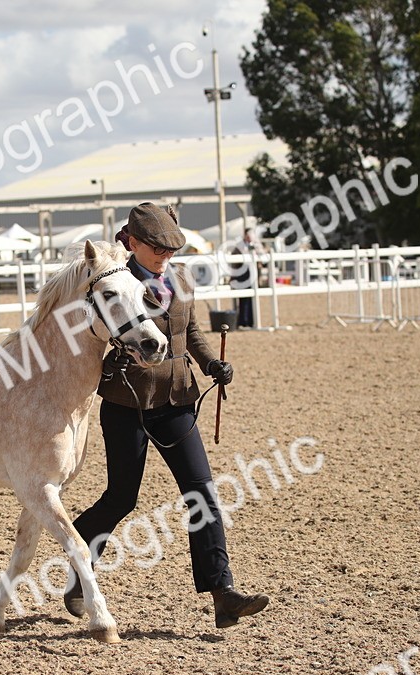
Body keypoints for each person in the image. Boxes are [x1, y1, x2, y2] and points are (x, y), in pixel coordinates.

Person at [65, 203, 269, 629]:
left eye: (170, 248)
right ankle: (80, 559)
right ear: (133, 242)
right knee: (121, 498)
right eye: (156, 248)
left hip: (177, 398)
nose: (165, 256)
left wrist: (212, 364)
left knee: (203, 493)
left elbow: (189, 332)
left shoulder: (181, 278)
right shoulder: (113, 281)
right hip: (128, 404)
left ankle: (222, 594)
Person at [229, 228, 262, 328]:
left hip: (253, 274)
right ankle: (243, 321)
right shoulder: (239, 246)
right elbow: (234, 262)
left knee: (252, 299)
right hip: (242, 275)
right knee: (243, 299)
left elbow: (262, 257)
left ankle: (251, 321)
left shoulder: (256, 244)